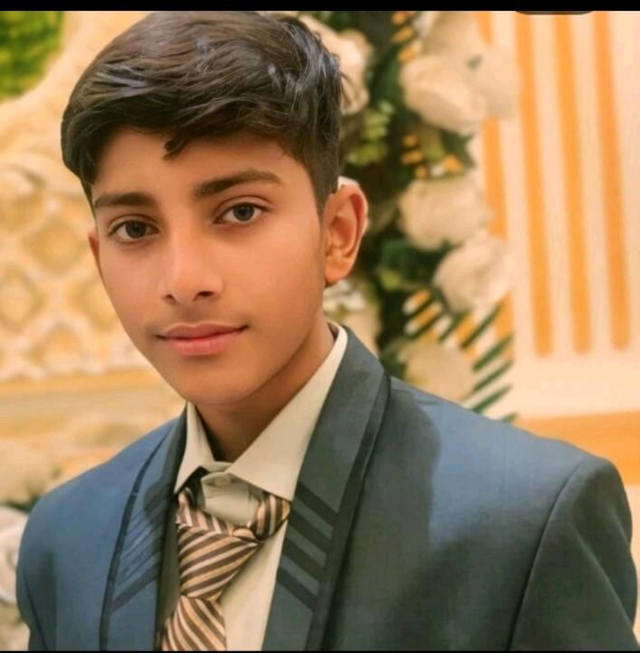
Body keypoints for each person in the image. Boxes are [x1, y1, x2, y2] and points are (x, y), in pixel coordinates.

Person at [15, 10, 638, 651]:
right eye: (136, 229)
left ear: (338, 233)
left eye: (240, 212)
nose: (184, 279)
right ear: (100, 256)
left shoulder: (525, 524)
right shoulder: (68, 538)